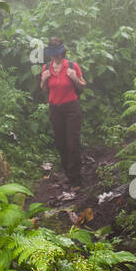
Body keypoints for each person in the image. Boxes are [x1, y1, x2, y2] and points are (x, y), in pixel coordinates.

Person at [40, 37, 85, 190]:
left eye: (58, 54)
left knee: (73, 143)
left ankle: (76, 180)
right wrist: (43, 81)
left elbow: (82, 86)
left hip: (72, 108)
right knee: (61, 143)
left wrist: (74, 78)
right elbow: (45, 90)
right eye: (53, 55)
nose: (55, 57)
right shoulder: (46, 68)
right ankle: (69, 175)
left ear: (62, 53)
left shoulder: (72, 66)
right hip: (55, 109)